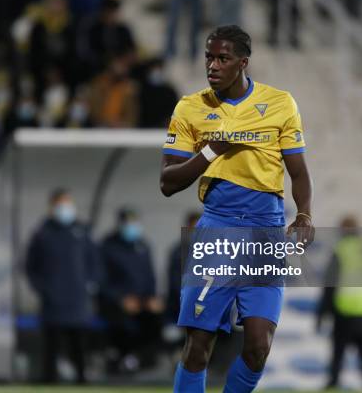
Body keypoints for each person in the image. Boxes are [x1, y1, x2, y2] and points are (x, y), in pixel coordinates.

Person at [159, 25, 314, 392]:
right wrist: (211, 150)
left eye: (222, 58)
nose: (213, 65)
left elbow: (299, 172)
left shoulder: (280, 104)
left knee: (259, 345)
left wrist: (304, 213)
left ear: (243, 63)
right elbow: (168, 182)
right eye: (209, 57)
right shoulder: (190, 108)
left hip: (266, 230)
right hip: (219, 228)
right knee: (199, 345)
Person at [25, 189, 99, 384]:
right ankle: (49, 380)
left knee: (79, 344)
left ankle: (82, 379)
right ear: (52, 207)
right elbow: (30, 266)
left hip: (78, 298)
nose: (65, 209)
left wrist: (90, 284)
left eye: (67, 203)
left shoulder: (82, 231)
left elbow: (94, 261)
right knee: (52, 344)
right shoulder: (42, 233)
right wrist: (43, 288)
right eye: (60, 204)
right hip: (53, 299)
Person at [316, 215, 362, 389]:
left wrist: (322, 312)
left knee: (338, 350)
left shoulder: (341, 250)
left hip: (345, 308)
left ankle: (333, 382)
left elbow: (330, 284)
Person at [99, 207, 164, 372]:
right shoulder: (108, 246)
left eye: (134, 222)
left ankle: (143, 360)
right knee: (123, 324)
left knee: (156, 319)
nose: (131, 227)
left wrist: (151, 298)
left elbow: (150, 276)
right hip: (116, 303)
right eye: (128, 223)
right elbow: (101, 281)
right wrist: (121, 299)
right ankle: (122, 360)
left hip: (142, 301)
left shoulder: (143, 246)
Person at [137, 58, 178, 128]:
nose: (157, 72)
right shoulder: (142, 90)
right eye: (154, 68)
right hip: (144, 129)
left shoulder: (170, 91)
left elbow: (175, 112)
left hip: (163, 130)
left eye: (159, 68)